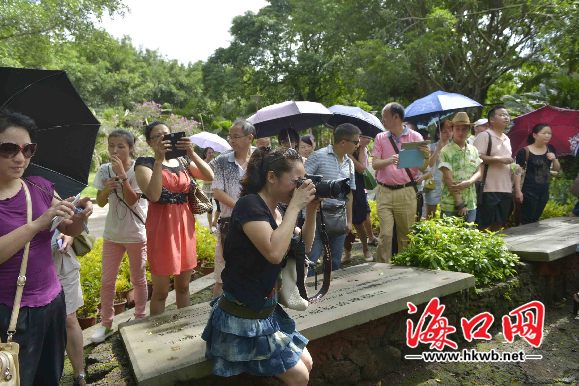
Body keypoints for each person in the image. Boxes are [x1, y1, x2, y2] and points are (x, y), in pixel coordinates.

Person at [202, 147, 317, 385]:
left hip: (266, 311)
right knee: (299, 376)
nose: (300, 186)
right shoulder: (249, 206)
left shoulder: (278, 210)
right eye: (297, 180)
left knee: (307, 362)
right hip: (242, 318)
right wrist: (295, 207)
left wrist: (312, 210)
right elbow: (274, 253)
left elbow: (303, 247)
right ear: (272, 177)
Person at [0, 110, 93, 386]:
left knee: (48, 377)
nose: (20, 158)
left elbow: (67, 229)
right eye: (8, 149)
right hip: (9, 310)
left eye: (27, 149)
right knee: (15, 380)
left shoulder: (39, 187)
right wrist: (37, 224)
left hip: (52, 303)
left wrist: (78, 218)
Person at [135, 121, 214, 316]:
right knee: (161, 291)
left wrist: (191, 153)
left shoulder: (183, 161)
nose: (163, 138)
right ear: (149, 142)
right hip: (161, 227)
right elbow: (153, 195)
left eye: (166, 134)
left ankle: (183, 328)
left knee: (184, 286)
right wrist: (159, 161)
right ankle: (157, 331)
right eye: (157, 136)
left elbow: (209, 176)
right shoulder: (144, 164)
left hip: (184, 224)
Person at [91, 129, 149, 342]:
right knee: (107, 281)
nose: (114, 150)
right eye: (111, 146)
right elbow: (99, 201)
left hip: (135, 234)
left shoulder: (139, 170)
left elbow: (133, 200)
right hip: (112, 234)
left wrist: (123, 178)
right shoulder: (104, 170)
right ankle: (106, 324)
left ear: (131, 148)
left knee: (138, 279)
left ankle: (140, 317)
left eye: (121, 146)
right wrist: (106, 189)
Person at [372, 103, 430, 262]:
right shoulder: (380, 137)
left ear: (396, 117)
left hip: (406, 192)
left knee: (406, 235)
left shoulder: (415, 137)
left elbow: (423, 168)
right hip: (384, 191)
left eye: (385, 117)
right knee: (385, 234)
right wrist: (390, 160)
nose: (383, 121)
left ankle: (404, 267)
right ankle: (382, 269)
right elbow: (375, 164)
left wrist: (425, 156)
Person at [305, 123, 359, 272]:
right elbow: (302, 183)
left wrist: (349, 220)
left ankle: (333, 294)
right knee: (311, 261)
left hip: (339, 217)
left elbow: (349, 193)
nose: (358, 145)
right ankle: (306, 294)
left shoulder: (350, 163)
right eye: (355, 142)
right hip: (318, 216)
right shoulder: (318, 156)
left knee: (335, 262)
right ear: (343, 142)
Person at [211, 119, 255, 297]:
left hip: (256, 222)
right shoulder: (222, 161)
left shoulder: (259, 160)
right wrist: (242, 207)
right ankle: (216, 313)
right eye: (230, 137)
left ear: (249, 138)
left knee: (253, 269)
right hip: (230, 223)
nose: (231, 140)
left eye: (236, 136)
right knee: (223, 272)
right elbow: (217, 192)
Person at [51, 232, 86, 386]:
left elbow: (76, 213)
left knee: (69, 318)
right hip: (24, 267)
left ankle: (79, 375)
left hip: (61, 260)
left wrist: (70, 233)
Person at [473, 106, 516, 230]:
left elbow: (507, 161)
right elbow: (476, 157)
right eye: (502, 115)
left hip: (506, 188)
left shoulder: (507, 139)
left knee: (500, 223)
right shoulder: (485, 136)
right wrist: (499, 159)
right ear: (491, 120)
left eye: (507, 115)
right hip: (488, 187)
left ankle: (494, 248)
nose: (506, 117)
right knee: (484, 225)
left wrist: (514, 167)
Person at [439, 112, 483, 222]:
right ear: (452, 130)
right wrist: (460, 204)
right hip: (451, 204)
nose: (460, 132)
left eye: (464, 129)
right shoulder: (446, 151)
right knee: (449, 238)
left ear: (469, 130)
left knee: (469, 237)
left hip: (471, 202)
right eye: (457, 129)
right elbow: (449, 179)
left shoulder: (473, 150)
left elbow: (480, 170)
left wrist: (469, 182)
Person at [514, 124, 560, 224]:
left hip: (544, 190)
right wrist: (518, 191)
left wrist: (554, 159)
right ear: (535, 135)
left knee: (535, 219)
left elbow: (557, 169)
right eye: (544, 133)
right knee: (526, 220)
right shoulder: (524, 151)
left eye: (549, 133)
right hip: (528, 191)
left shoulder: (550, 148)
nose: (547, 135)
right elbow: (517, 172)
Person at [344, 135, 374, 262]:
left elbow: (362, 168)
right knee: (343, 223)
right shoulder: (339, 148)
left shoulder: (361, 149)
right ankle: (347, 252)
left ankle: (365, 248)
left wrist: (356, 151)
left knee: (358, 221)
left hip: (357, 187)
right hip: (343, 184)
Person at [424, 119, 452, 218]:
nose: (448, 133)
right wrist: (437, 149)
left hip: (448, 183)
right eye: (444, 131)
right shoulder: (432, 146)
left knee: (446, 214)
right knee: (430, 213)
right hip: (434, 182)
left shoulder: (454, 147)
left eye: (450, 130)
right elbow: (430, 164)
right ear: (438, 133)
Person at [202, 147, 216, 230]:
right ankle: (210, 226)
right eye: (209, 153)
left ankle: (215, 222)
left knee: (219, 206)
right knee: (210, 207)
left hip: (216, 186)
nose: (211, 154)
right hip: (207, 187)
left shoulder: (215, 162)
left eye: (212, 152)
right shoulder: (203, 163)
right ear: (205, 154)